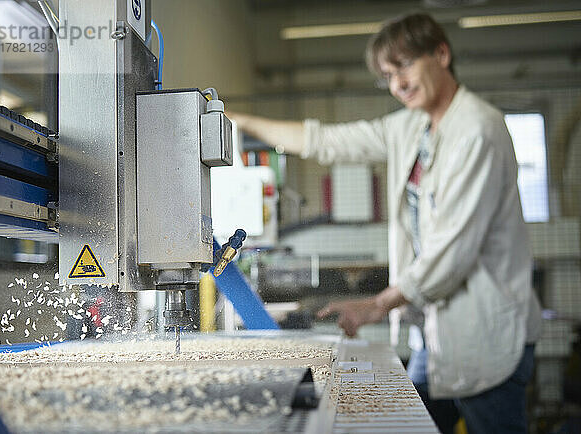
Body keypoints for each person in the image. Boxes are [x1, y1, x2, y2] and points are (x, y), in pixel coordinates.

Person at [229, 12, 542, 434]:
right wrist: (241, 122)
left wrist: (376, 305)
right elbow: (329, 141)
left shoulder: (477, 132)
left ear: (442, 54)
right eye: (388, 76)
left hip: (485, 334)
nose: (399, 84)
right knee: (409, 423)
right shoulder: (414, 126)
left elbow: (450, 253)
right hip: (438, 334)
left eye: (406, 66)